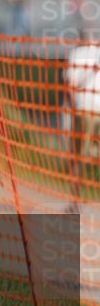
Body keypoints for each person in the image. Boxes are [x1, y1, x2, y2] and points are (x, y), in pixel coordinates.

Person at [66, 33, 100, 207]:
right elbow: (72, 86)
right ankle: (75, 200)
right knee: (79, 156)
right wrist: (90, 73)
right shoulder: (76, 55)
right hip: (84, 111)